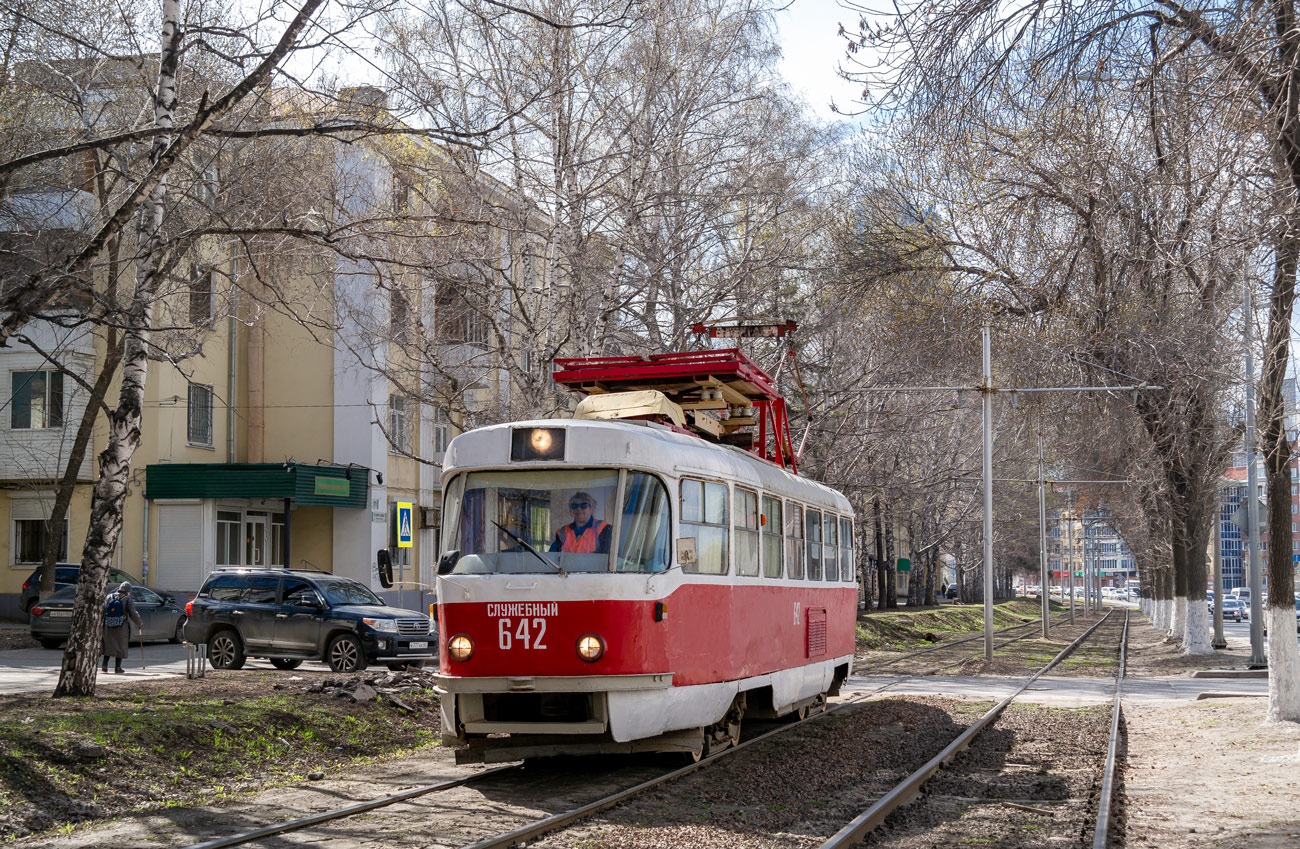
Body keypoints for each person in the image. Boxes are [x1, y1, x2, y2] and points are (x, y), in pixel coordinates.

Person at [102, 581, 142, 674]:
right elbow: (133, 613)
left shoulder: (109, 596)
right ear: (128, 591)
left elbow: (103, 609)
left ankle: (104, 665)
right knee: (120, 645)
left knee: (108, 644)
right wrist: (139, 623)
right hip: (121, 626)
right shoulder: (127, 598)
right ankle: (118, 667)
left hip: (108, 624)